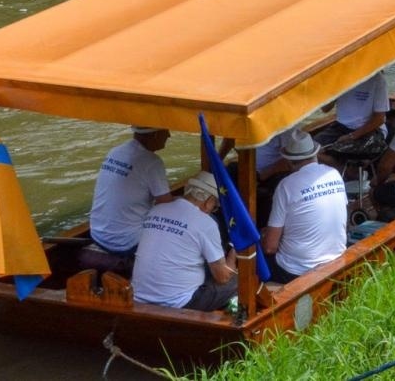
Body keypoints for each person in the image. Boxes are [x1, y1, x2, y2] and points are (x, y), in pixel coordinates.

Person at [130, 172, 237, 311]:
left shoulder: (156, 210)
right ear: (209, 201)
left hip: (139, 297)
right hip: (179, 303)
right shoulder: (206, 223)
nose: (213, 210)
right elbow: (222, 277)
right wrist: (234, 250)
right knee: (239, 280)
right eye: (215, 207)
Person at [261, 130, 347, 284]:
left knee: (250, 256)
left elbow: (270, 247)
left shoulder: (286, 186)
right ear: (315, 153)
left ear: (289, 161)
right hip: (336, 258)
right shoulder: (334, 174)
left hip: (296, 270)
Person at [88, 127, 175, 265]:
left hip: (97, 234)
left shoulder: (115, 151)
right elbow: (167, 206)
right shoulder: (152, 161)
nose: (169, 135)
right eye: (166, 131)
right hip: (126, 243)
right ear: (156, 134)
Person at [312, 71, 391, 152]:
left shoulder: (377, 79)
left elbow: (379, 119)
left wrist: (352, 136)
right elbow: (325, 109)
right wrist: (335, 88)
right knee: (311, 149)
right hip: (340, 127)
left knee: (345, 151)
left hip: (370, 130)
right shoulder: (338, 77)